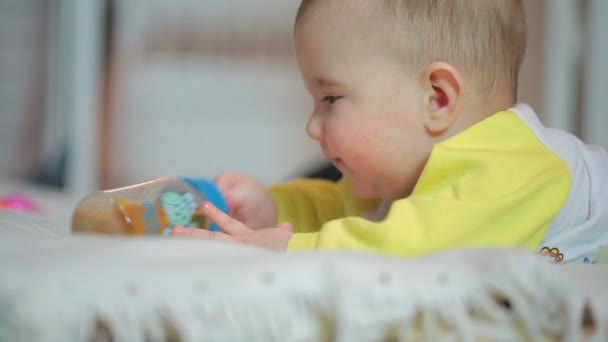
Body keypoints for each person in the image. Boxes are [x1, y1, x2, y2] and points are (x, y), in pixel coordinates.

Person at [172, 0, 608, 263]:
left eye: (331, 99)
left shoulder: (511, 169)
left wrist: (287, 252)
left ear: (436, 98)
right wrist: (273, 208)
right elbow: (346, 212)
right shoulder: (402, 178)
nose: (312, 126)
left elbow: (411, 250)